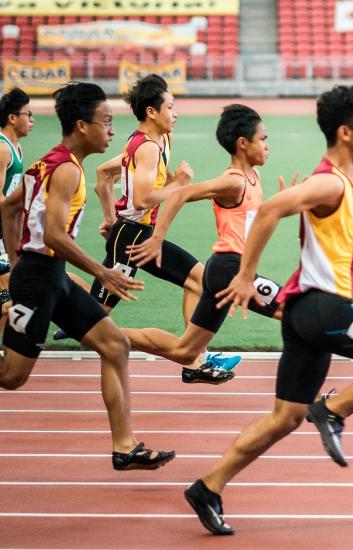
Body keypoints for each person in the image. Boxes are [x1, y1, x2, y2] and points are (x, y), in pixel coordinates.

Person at [184, 84, 353, 536]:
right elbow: (268, 212)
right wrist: (245, 275)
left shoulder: (352, 182)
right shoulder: (328, 182)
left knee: (287, 417)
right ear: (345, 131)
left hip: (305, 316)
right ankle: (335, 410)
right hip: (323, 308)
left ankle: (208, 486)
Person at [0, 81, 174, 471]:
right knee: (11, 377)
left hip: (48, 274)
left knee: (114, 345)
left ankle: (124, 446)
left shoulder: (49, 162)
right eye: (106, 123)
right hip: (39, 279)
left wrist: (15, 260)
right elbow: (55, 235)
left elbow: (8, 209)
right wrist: (101, 272)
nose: (111, 131)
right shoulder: (64, 170)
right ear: (82, 126)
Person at [78, 74, 239, 380]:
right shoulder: (147, 147)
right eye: (170, 107)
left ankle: (195, 359)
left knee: (199, 280)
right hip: (130, 239)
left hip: (138, 234)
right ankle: (53, 294)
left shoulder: (161, 139)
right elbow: (141, 198)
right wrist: (179, 184)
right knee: (95, 316)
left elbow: (104, 173)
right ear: (151, 112)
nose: (175, 114)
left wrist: (110, 216)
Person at [119, 104, 288, 383]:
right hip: (230, 270)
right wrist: (157, 238)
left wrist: (283, 205)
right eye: (263, 140)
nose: (268, 146)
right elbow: (179, 194)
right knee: (296, 312)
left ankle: (102, 332)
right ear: (243, 143)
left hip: (222, 270)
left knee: (185, 351)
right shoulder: (232, 181)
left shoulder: (252, 177)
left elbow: (251, 223)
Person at [1, 87, 34, 265]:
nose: (31, 120)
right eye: (27, 114)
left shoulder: (17, 147)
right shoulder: (3, 149)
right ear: (12, 118)